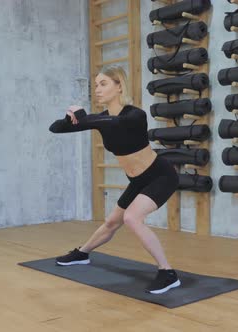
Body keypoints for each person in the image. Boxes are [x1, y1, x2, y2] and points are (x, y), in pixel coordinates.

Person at [48, 66, 181, 295]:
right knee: (111, 222)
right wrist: (69, 119)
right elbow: (55, 129)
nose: (97, 90)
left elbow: (117, 123)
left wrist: (86, 118)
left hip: (161, 175)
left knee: (132, 218)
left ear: (119, 85)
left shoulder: (135, 115)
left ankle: (168, 273)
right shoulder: (101, 119)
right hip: (138, 180)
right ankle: (82, 253)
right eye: (96, 85)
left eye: (103, 84)